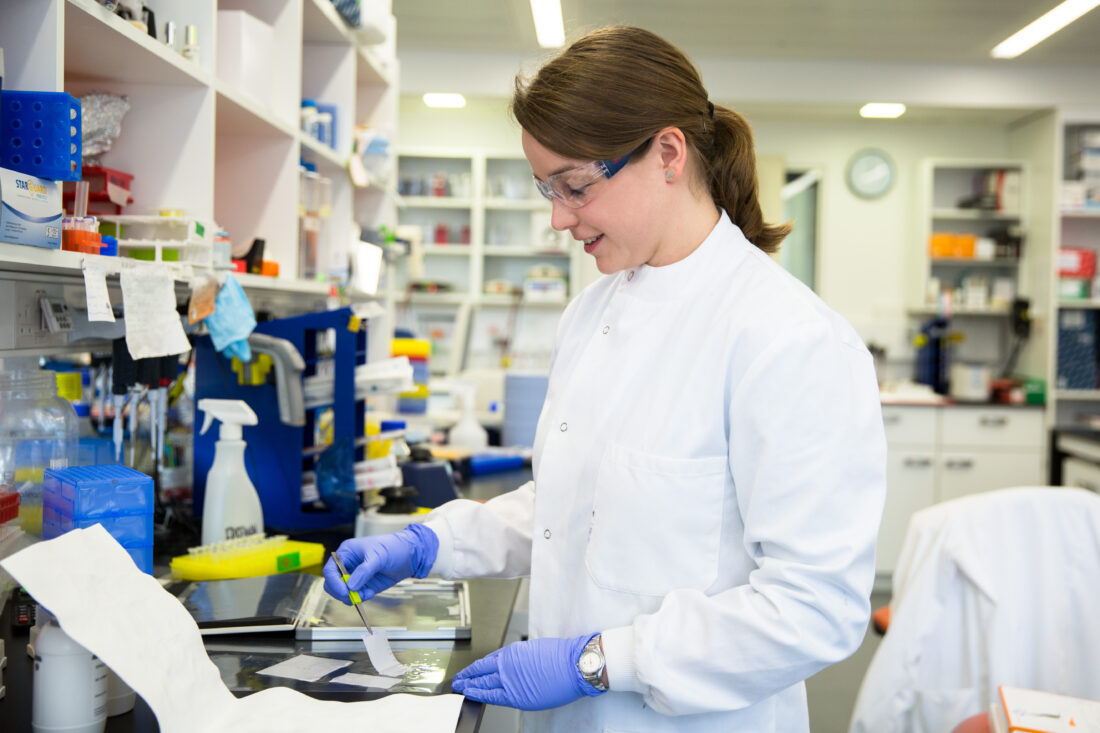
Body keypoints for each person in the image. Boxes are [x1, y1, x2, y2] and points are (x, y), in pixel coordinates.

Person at [323, 25, 887, 732]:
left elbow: (814, 607)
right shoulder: (591, 313)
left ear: (668, 154)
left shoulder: (789, 339)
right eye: (545, 188)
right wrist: (435, 541)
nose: (558, 217)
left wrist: (596, 661)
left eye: (576, 186)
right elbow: (575, 508)